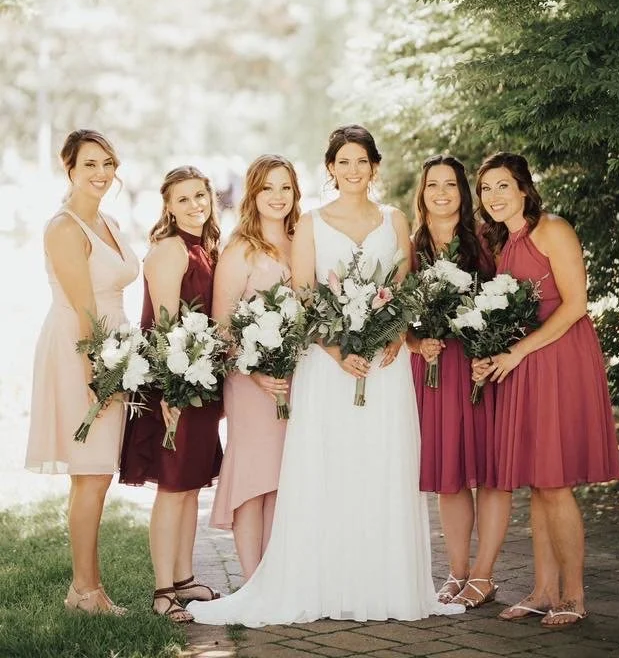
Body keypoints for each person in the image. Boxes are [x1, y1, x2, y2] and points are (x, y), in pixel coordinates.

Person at [188, 125, 465, 626]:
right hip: (327, 365)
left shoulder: (396, 219)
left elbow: (403, 293)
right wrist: (338, 350)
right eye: (344, 162)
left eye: (362, 161)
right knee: (330, 468)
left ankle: (385, 584)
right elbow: (306, 297)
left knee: (381, 466)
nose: (353, 170)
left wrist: (387, 337)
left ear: (374, 167)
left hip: (385, 367)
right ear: (330, 169)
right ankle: (324, 580)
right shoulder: (311, 224)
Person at [474, 152, 619, 626]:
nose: (494, 196)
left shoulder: (552, 229)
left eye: (502, 186)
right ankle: (542, 590)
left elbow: (576, 303)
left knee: (555, 484)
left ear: (523, 188)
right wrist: (491, 354)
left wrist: (517, 353)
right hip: (523, 362)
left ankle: (573, 598)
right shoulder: (501, 243)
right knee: (538, 483)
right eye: (486, 189)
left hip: (559, 359)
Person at [25, 129, 139, 614]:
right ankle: (85, 591)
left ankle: (88, 588)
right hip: (81, 349)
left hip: (112, 345)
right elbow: (84, 306)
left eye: (107, 163)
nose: (100, 173)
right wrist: (99, 372)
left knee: (98, 473)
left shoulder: (109, 220)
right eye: (89, 164)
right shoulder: (64, 228)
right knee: (90, 474)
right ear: (68, 168)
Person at [119, 166, 224, 623]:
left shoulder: (204, 248)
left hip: (198, 379)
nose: (195, 204)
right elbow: (164, 328)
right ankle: (164, 590)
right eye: (183, 199)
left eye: (200, 195)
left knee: (190, 485)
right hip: (174, 383)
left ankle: (184, 578)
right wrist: (171, 391)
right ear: (168, 206)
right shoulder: (169, 249)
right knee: (171, 486)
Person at [407, 154, 512, 610]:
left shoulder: (486, 240)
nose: (443, 193)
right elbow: (394, 312)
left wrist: (489, 348)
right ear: (422, 192)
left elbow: (509, 301)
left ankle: (484, 575)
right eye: (434, 185)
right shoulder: (410, 247)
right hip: (434, 371)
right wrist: (415, 343)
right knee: (449, 476)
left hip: (480, 368)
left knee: (489, 471)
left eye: (451, 184)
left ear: (462, 192)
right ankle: (457, 571)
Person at [210, 154, 301, 578]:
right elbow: (223, 325)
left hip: (297, 378)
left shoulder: (302, 242)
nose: (277, 197)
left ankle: (275, 575)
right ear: (253, 194)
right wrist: (255, 370)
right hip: (250, 381)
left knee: (283, 479)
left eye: (285, 187)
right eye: (268, 188)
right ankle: (251, 580)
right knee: (253, 478)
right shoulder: (240, 250)